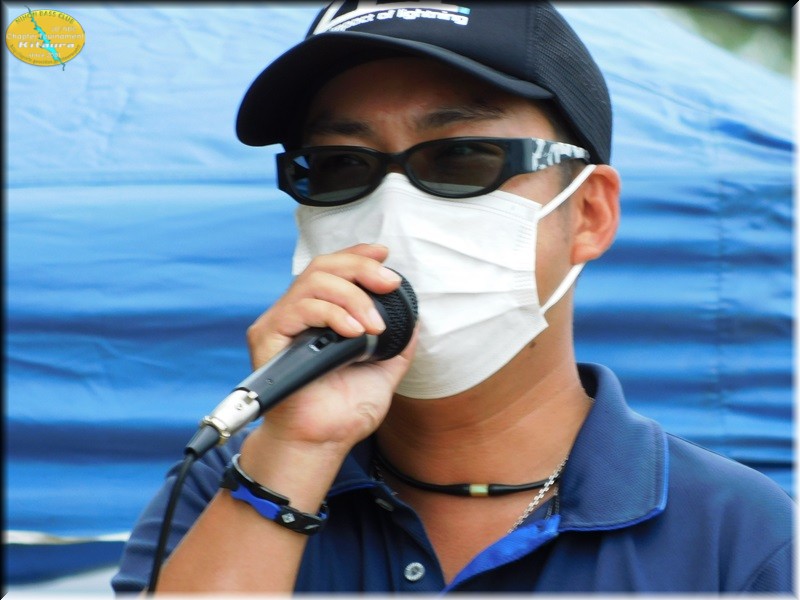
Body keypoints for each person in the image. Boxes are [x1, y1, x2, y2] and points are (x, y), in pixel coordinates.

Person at [112, 1, 793, 594]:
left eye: (462, 156)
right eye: (341, 165)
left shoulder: (740, 535)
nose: (394, 212)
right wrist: (296, 452)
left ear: (589, 214)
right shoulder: (231, 487)